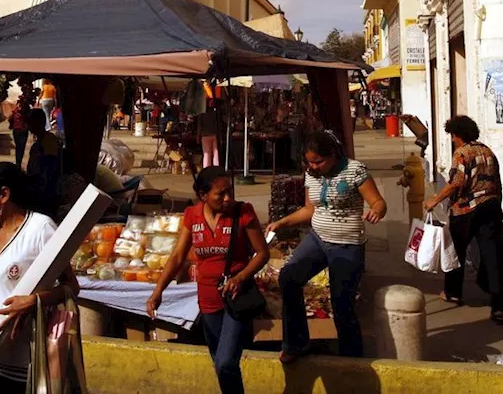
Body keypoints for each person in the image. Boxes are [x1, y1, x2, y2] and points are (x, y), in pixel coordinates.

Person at [265, 131, 387, 361]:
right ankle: (296, 343)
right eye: (310, 161)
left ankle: (352, 358)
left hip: (347, 246)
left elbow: (378, 202)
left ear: (333, 154)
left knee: (342, 304)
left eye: (319, 161)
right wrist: (280, 223)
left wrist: (377, 210)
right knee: (289, 278)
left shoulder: (355, 170)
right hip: (317, 239)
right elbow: (309, 209)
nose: (314, 166)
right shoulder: (311, 174)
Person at [147, 167, 267, 394]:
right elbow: (177, 257)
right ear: (203, 195)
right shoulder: (192, 215)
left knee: (225, 362)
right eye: (220, 194)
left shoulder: (243, 212)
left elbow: (262, 253)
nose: (228, 198)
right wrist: (158, 291)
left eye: (229, 191)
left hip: (236, 299)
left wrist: (240, 277)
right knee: (220, 364)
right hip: (208, 301)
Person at [0, 162, 81, 392]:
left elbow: (71, 286)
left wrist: (35, 301)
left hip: (25, 361)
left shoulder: (40, 229)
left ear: (3, 195)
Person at [423, 115, 503, 323]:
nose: (452, 139)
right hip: (491, 206)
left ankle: (453, 293)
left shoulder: (462, 153)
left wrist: (435, 200)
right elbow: (496, 180)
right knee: (491, 254)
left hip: (466, 210)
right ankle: (498, 306)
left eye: (452, 135)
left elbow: (456, 183)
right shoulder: (487, 151)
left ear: (458, 134)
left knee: (456, 252)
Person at [25, 109, 63, 214]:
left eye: (31, 122)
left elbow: (50, 167)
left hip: (46, 191)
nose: (28, 126)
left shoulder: (49, 140)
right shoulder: (38, 142)